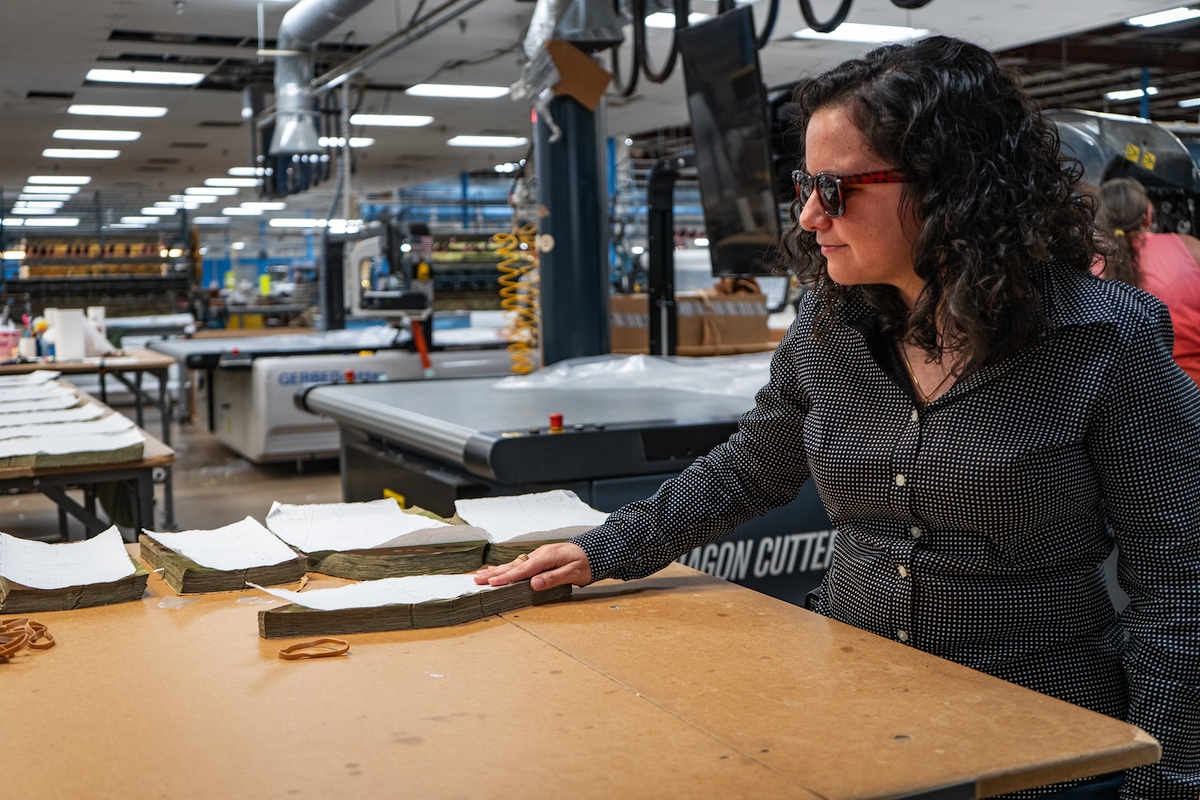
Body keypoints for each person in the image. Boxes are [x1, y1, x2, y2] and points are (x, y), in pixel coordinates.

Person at [476, 35, 1200, 800]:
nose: (811, 216)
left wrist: (1169, 778)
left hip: (1040, 742)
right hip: (857, 714)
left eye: (837, 187)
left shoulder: (1103, 339)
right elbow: (749, 469)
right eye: (804, 185)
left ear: (950, 186)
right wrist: (604, 549)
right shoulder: (830, 327)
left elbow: (1179, 575)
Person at [1094, 176, 1200, 386]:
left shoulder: (1092, 267)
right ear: (1148, 216)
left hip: (1130, 403)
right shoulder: (1190, 248)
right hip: (1193, 389)